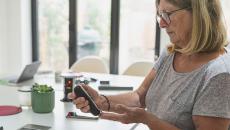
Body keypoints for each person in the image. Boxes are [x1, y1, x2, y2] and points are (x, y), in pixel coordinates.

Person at [68, 0, 230, 129]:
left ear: (198, 14)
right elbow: (139, 97)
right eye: (160, 15)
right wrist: (101, 101)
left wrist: (147, 119)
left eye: (167, 14)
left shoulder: (219, 75)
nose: (162, 24)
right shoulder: (171, 54)